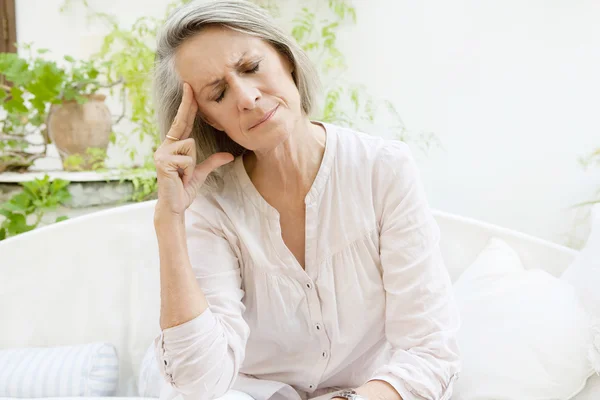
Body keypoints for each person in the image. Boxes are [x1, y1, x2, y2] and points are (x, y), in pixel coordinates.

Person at [148, 0, 461, 399]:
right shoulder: (212, 207)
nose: (246, 97)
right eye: (219, 93)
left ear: (286, 59)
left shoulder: (382, 169)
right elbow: (199, 382)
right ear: (209, 119)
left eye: (250, 67)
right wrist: (169, 220)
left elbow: (430, 349)